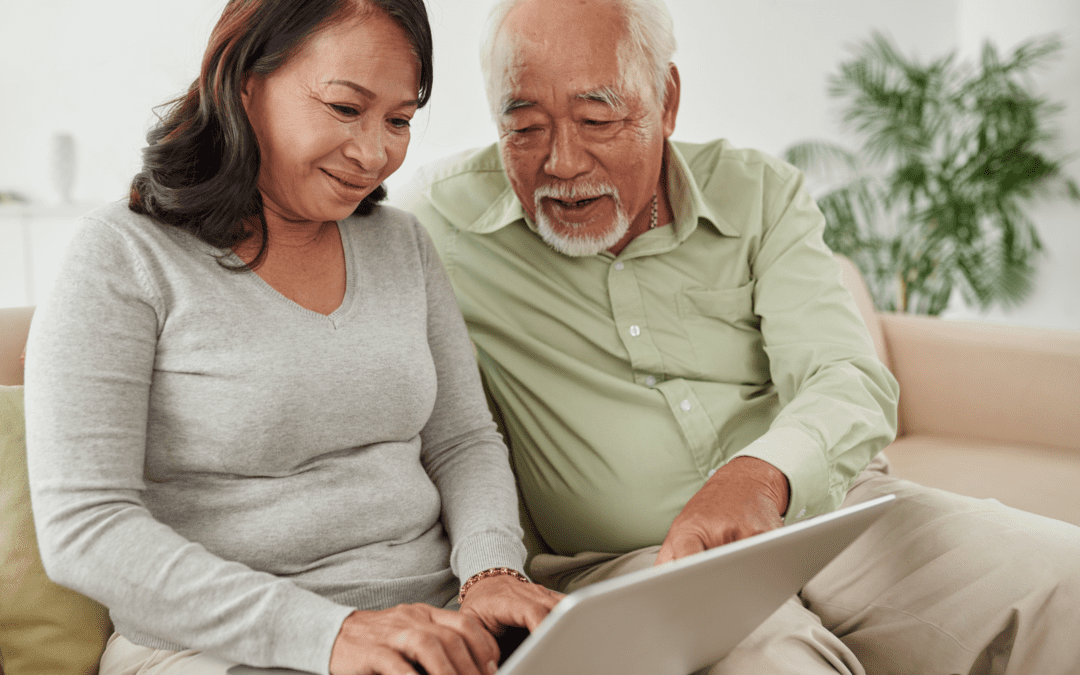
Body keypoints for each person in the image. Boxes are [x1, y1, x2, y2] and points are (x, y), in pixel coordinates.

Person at [395, 0, 1080, 672]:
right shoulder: (435, 226)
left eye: (597, 118)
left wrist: (760, 476)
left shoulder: (761, 195)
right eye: (524, 128)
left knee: (1064, 579)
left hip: (827, 515)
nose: (563, 161)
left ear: (665, 101)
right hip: (634, 564)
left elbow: (847, 376)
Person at [24, 1, 560, 674]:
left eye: (399, 120)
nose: (374, 152)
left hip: (431, 627)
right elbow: (86, 527)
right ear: (247, 85)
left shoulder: (402, 246)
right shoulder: (123, 255)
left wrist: (489, 572)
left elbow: (462, 439)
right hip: (215, 648)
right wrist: (332, 634)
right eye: (344, 108)